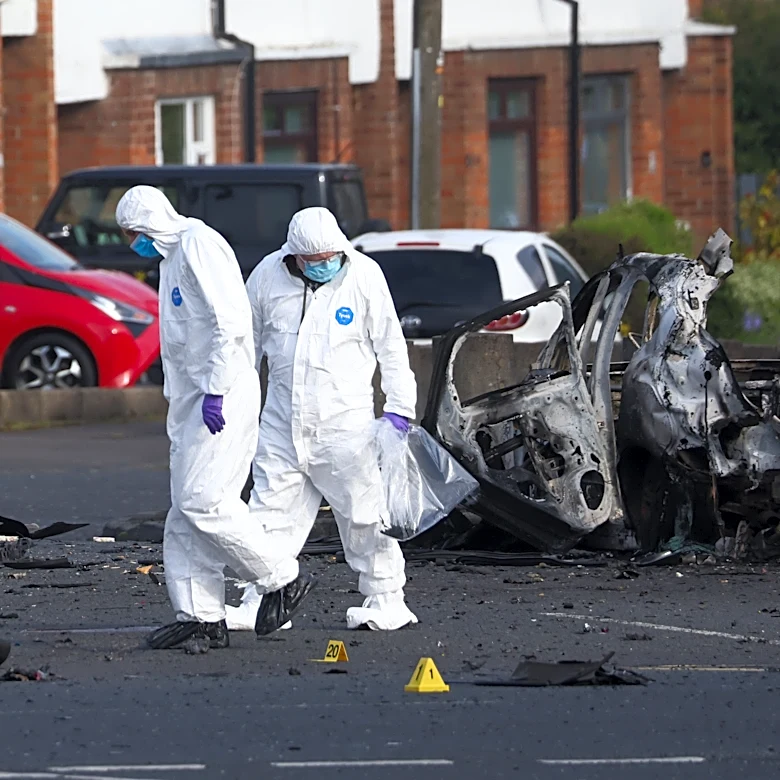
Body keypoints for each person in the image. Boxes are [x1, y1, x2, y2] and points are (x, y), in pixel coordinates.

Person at [115, 185, 278, 652]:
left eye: (133, 234)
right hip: (193, 399)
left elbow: (230, 323)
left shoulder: (198, 246)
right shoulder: (172, 258)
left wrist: (216, 390)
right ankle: (201, 614)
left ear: (147, 225)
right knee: (184, 513)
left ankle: (278, 576)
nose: (133, 243)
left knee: (203, 501)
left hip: (220, 396)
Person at [245, 207, 418, 634]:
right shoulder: (267, 276)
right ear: (294, 255)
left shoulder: (363, 275)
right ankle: (261, 601)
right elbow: (244, 344)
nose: (324, 265)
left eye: (330, 257)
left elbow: (391, 347)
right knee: (267, 514)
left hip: (346, 427)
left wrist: (399, 408)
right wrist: (235, 401)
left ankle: (386, 600)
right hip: (282, 425)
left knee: (364, 516)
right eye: (314, 259)